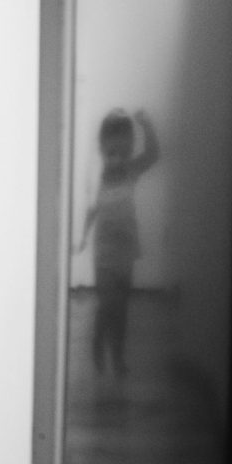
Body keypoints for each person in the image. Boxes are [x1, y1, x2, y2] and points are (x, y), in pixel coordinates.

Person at [77, 109, 159, 377]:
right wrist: (82, 237)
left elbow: (153, 155)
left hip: (125, 251)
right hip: (104, 254)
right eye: (112, 154)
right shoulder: (98, 178)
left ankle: (118, 355)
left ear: (129, 149)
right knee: (108, 305)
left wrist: (146, 125)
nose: (117, 160)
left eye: (123, 154)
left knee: (121, 309)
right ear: (103, 150)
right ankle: (98, 342)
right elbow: (91, 211)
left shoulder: (131, 171)